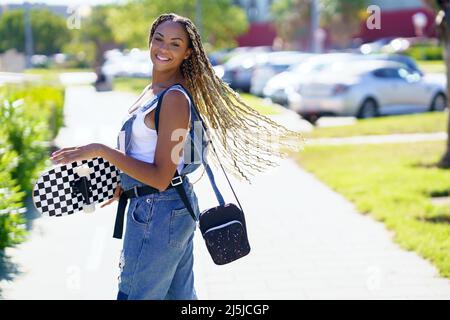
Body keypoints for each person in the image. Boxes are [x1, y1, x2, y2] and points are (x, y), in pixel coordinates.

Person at [50, 12, 304, 300]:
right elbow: (154, 163)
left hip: (158, 213)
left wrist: (101, 151)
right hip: (167, 208)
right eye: (158, 39)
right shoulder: (152, 91)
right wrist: (126, 186)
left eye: (174, 44)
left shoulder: (173, 99)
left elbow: (161, 177)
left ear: (187, 53)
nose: (163, 49)